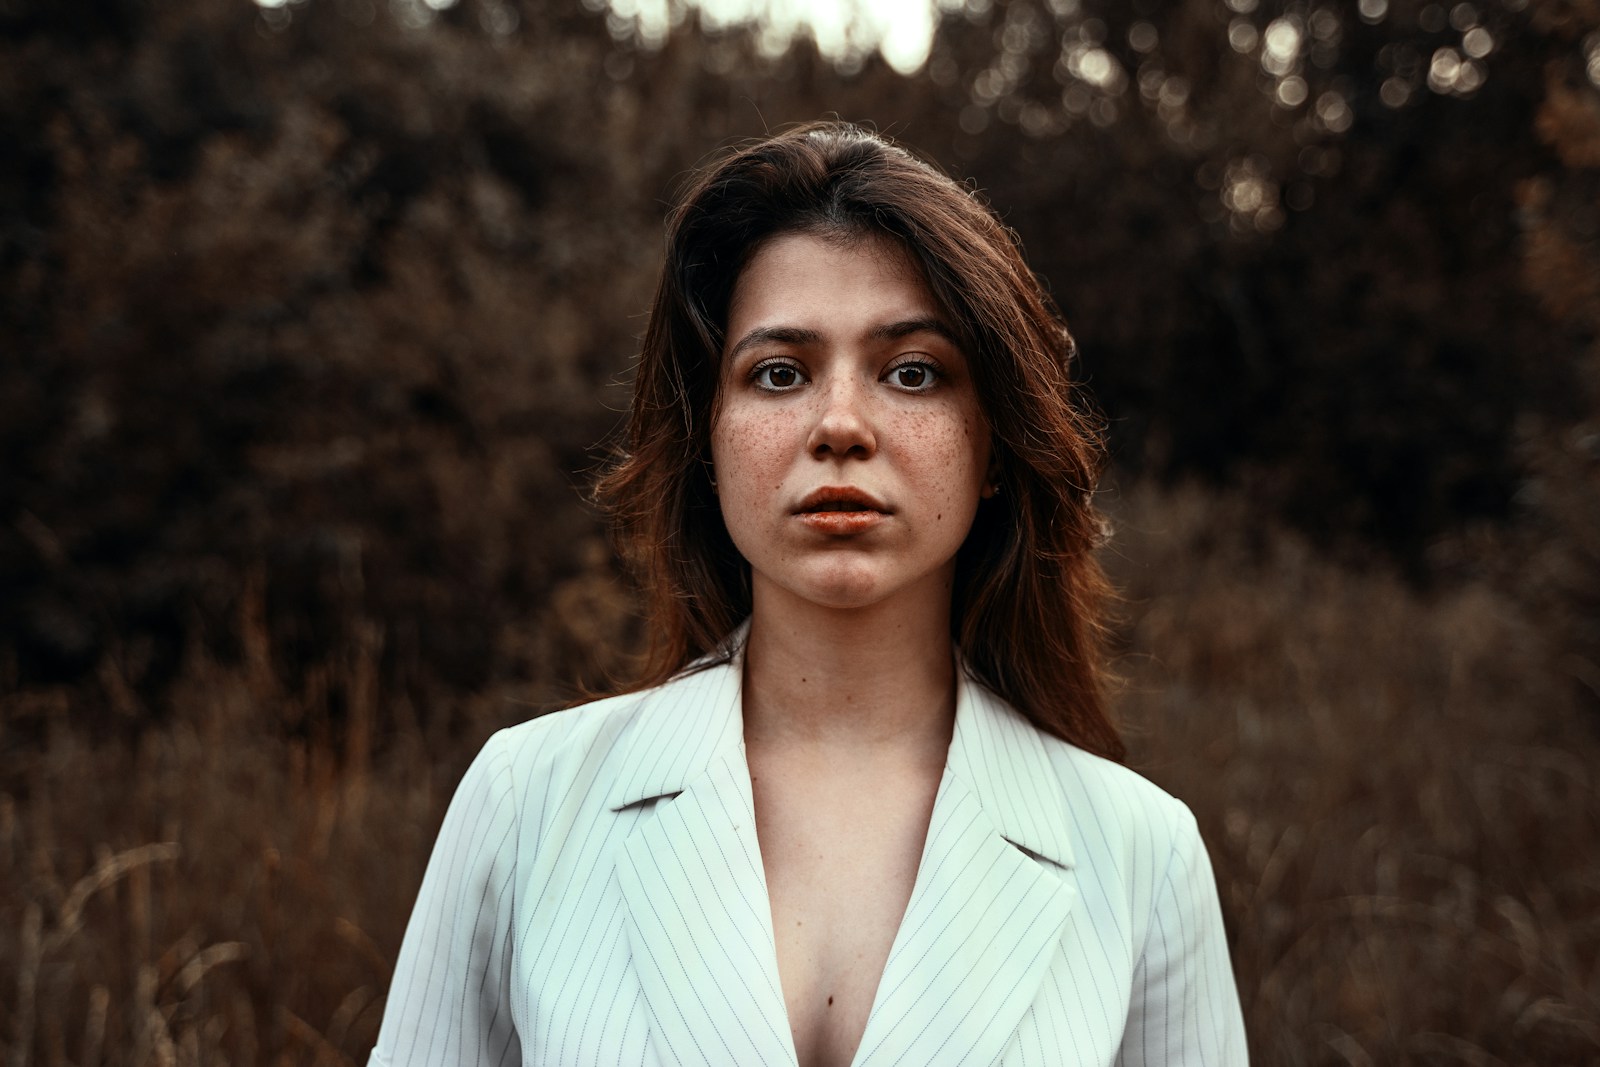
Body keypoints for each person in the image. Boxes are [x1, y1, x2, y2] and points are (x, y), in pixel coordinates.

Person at [368, 122, 1247, 1067]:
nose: (839, 425)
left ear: (993, 443)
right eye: (779, 372)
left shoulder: (1141, 854)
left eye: (912, 371)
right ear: (708, 437)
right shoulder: (525, 803)